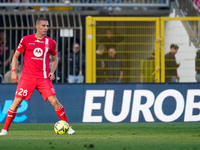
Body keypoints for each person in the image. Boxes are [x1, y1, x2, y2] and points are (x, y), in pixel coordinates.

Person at [0, 17, 75, 136]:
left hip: (43, 77)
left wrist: (52, 71)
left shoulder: (51, 42)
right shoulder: (26, 40)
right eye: (43, 26)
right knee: (17, 102)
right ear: (37, 26)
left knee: (55, 101)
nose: (46, 28)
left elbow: (55, 60)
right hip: (27, 77)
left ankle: (68, 127)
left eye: (47, 26)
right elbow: (15, 56)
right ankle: (5, 129)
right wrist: (13, 71)